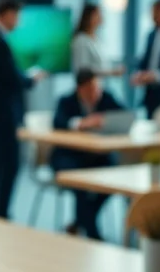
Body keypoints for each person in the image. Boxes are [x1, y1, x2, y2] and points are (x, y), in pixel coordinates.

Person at [0, 0, 48, 219]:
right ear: (6, 14)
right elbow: (11, 78)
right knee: (8, 165)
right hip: (2, 112)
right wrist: (31, 79)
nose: (17, 21)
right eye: (16, 15)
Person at [50, 69, 124, 240]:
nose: (94, 92)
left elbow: (125, 115)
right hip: (68, 156)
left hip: (96, 156)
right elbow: (58, 122)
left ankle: (81, 220)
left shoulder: (105, 97)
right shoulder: (66, 101)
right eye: (90, 88)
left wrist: (106, 121)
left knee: (115, 177)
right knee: (80, 184)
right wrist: (81, 123)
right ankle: (93, 235)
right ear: (80, 88)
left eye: (97, 87)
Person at [71, 3, 125, 77]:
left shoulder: (96, 39)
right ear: (88, 17)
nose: (101, 17)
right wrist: (111, 72)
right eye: (97, 14)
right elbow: (83, 70)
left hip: (98, 85)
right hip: (87, 86)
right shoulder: (81, 40)